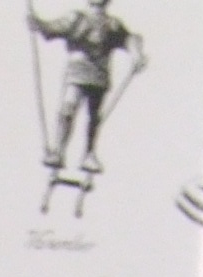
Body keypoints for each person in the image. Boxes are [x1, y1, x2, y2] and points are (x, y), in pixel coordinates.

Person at [30, 0, 144, 180]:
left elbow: (130, 38)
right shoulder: (76, 19)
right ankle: (58, 151)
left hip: (99, 75)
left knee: (93, 116)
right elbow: (52, 29)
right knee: (68, 108)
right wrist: (37, 23)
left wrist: (137, 54)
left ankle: (89, 154)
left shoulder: (112, 24)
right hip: (77, 72)